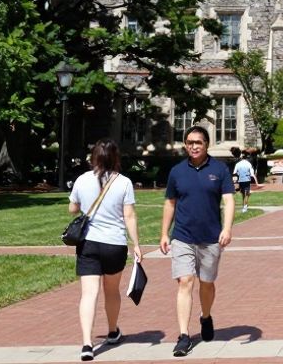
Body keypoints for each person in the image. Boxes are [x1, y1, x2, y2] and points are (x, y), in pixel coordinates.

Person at [160, 126, 235, 357]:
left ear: (207, 144)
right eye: (190, 142)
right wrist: (164, 233)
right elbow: (170, 203)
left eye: (198, 142)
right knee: (185, 282)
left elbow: (229, 200)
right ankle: (184, 335)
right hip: (182, 236)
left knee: (207, 283)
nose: (194, 146)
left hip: (211, 237)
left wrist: (227, 228)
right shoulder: (177, 172)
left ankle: (205, 316)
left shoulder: (220, 169)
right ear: (185, 144)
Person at [68, 138, 142, 362]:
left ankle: (87, 343)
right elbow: (129, 215)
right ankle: (112, 331)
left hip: (89, 243)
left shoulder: (82, 180)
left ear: (94, 158)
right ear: (115, 157)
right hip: (115, 244)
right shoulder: (124, 182)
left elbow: (72, 209)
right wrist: (136, 244)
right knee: (112, 291)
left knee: (89, 294)